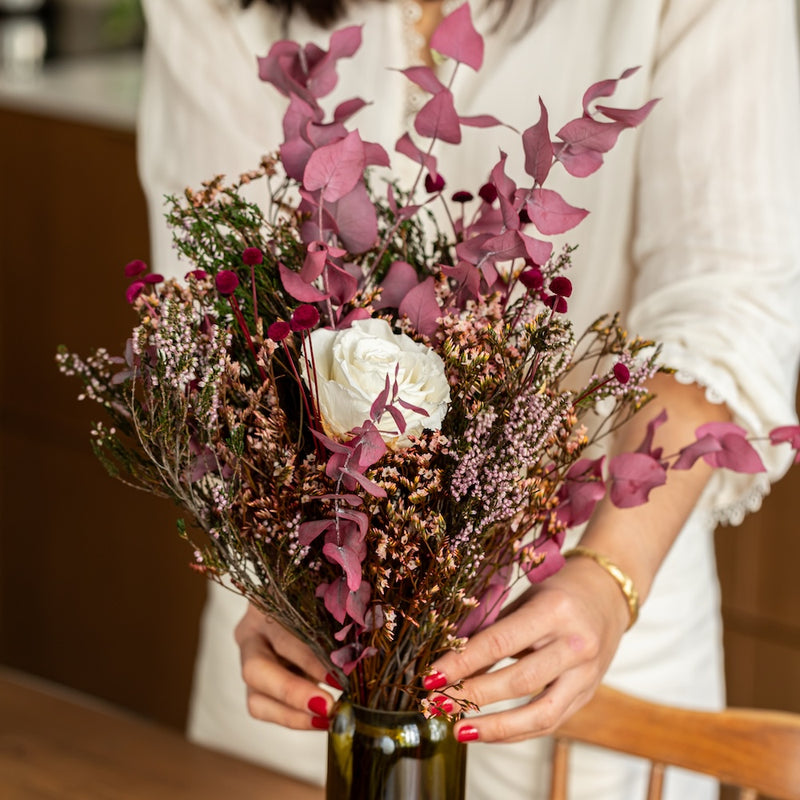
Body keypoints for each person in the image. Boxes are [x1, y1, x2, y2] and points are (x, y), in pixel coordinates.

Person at [137, 0, 800, 797]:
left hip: (577, 650)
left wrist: (607, 579)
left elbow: (727, 300)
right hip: (306, 669)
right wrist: (274, 573)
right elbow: (214, 313)